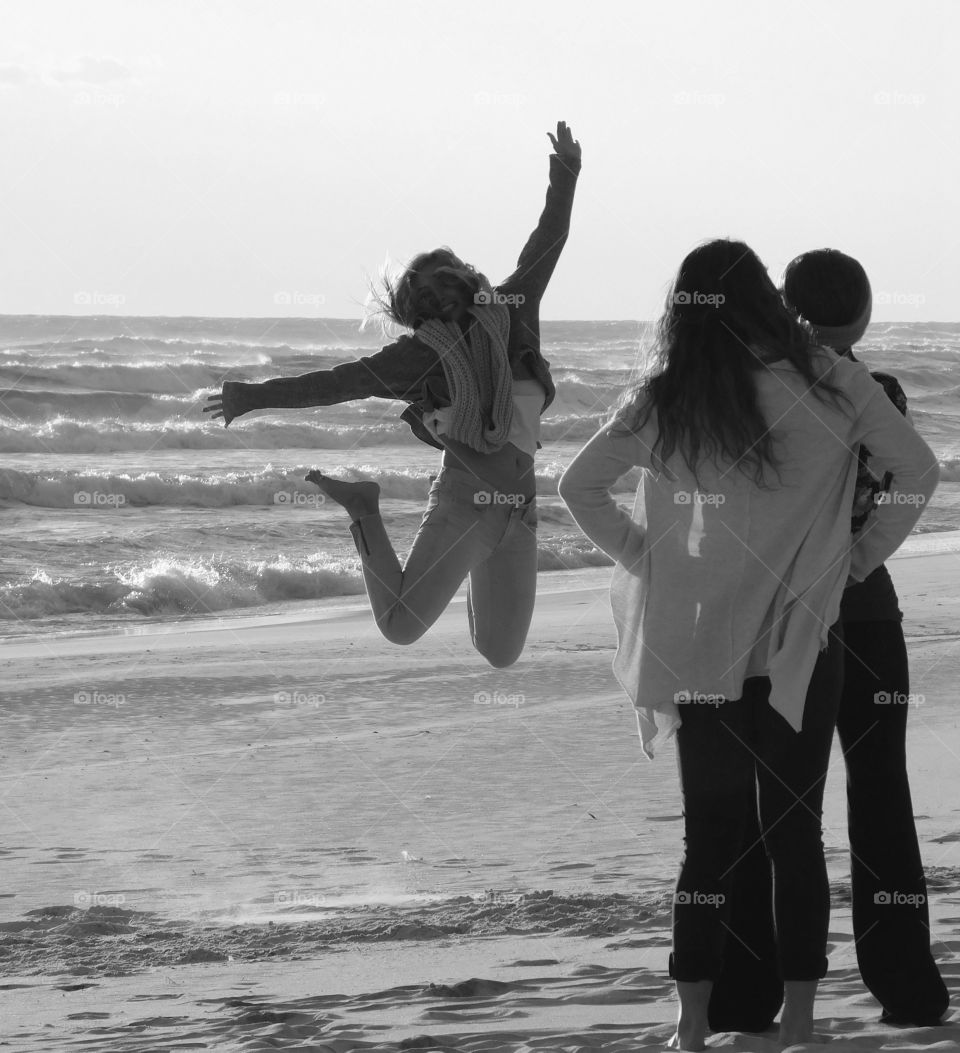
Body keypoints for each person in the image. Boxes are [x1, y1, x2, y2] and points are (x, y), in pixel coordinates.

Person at [558, 239, 939, 1050]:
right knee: (793, 833)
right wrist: (853, 562)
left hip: (702, 645)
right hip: (805, 640)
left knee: (709, 843)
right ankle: (800, 1024)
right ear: (766, 299)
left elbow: (577, 487)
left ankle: (692, 1027)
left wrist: (653, 563)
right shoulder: (833, 382)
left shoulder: (673, 393)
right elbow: (916, 469)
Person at [204, 122, 581, 666]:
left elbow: (548, 241)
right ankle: (363, 509)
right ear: (413, 307)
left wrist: (566, 168)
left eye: (441, 279)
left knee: (500, 653)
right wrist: (252, 396)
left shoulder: (512, 314)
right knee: (401, 625)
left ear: (464, 278)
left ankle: (464, 565)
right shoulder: (418, 355)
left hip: (519, 511)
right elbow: (338, 383)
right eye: (420, 291)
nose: (434, 293)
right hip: (464, 507)